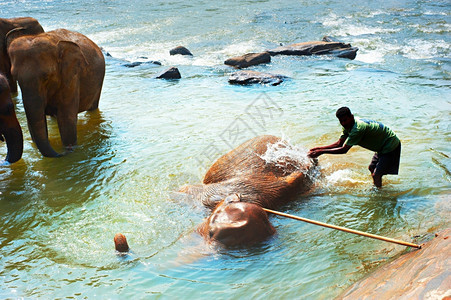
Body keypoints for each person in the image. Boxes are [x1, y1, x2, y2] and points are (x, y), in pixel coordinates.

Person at [308, 107, 401, 188]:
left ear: (351, 117)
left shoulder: (357, 129)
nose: (343, 123)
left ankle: (379, 194)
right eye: (341, 121)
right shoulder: (348, 126)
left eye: (345, 120)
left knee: (376, 174)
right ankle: (378, 186)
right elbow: (339, 144)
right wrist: (318, 148)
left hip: (390, 145)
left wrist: (321, 152)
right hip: (381, 146)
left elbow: (344, 150)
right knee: (371, 168)